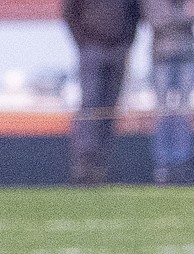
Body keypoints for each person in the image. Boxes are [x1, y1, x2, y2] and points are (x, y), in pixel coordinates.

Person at [63, 0, 143, 184]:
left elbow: (134, 13)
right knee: (90, 106)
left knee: (110, 109)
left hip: (118, 49)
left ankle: (101, 165)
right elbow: (69, 12)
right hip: (92, 48)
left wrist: (126, 41)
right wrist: (83, 41)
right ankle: (84, 164)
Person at [143, 0, 194, 183]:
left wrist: (179, 17)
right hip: (161, 57)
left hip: (187, 56)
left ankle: (182, 161)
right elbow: (157, 21)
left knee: (184, 111)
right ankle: (163, 163)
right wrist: (183, 16)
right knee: (162, 112)